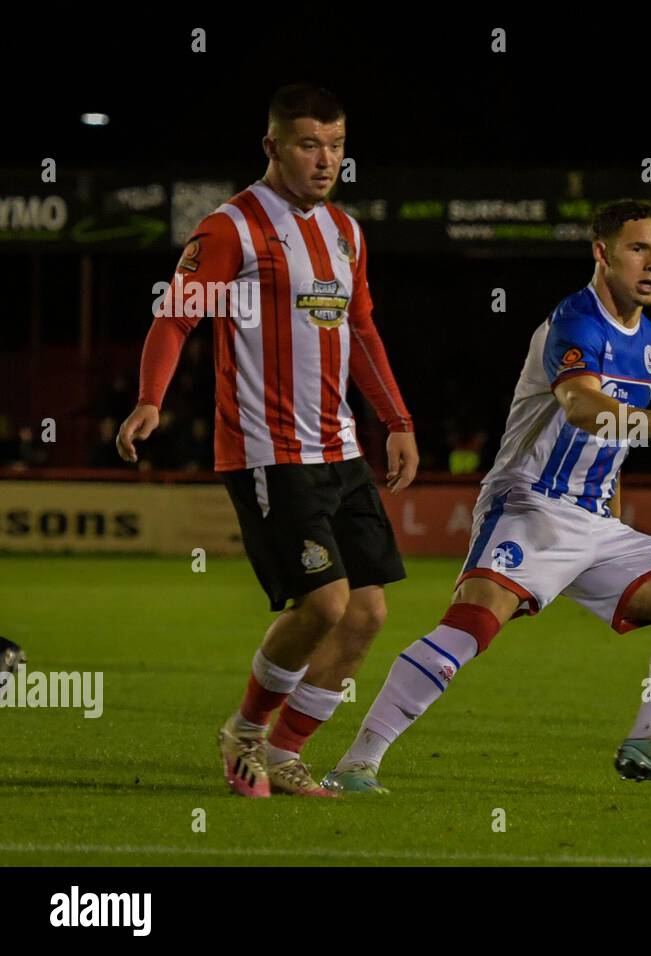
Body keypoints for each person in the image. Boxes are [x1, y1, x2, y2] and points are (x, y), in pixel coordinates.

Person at [327, 200, 651, 795]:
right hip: (530, 505)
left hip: (594, 520)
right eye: (638, 248)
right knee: (470, 628)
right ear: (601, 252)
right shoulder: (575, 320)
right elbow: (581, 406)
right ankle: (355, 764)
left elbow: (611, 446)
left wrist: (613, 529)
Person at [116, 83, 419, 797]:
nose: (325, 160)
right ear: (272, 147)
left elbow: (364, 333)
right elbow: (174, 318)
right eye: (310, 145)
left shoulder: (346, 233)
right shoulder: (232, 228)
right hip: (267, 450)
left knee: (368, 612)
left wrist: (397, 420)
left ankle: (283, 753)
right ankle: (243, 736)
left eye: (337, 146)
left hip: (339, 449)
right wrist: (149, 400)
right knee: (324, 603)